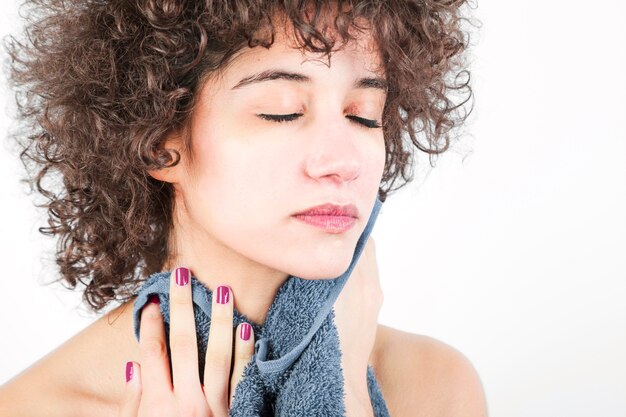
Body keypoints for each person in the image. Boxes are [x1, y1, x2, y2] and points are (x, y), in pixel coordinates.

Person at [0, 0, 487, 416]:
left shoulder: (434, 387)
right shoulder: (35, 407)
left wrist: (351, 398)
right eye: (282, 111)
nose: (343, 162)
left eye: (363, 116)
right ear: (158, 142)